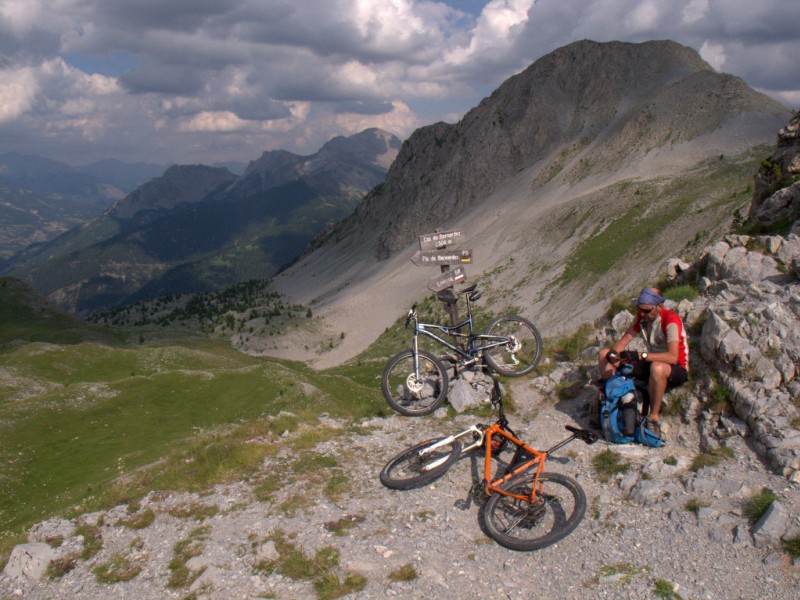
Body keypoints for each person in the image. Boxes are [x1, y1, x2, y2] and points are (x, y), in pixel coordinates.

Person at [597, 288, 689, 438]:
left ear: (659, 307)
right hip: (650, 363)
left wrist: (640, 355)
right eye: (639, 309)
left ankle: (653, 417)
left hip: (675, 367)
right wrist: (614, 356)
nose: (643, 314)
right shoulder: (642, 317)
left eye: (646, 311)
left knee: (657, 368)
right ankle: (611, 401)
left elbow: (673, 357)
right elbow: (622, 343)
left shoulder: (671, 320)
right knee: (603, 354)